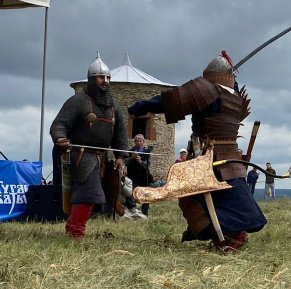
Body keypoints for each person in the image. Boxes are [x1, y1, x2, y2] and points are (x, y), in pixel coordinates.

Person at [128, 52, 267, 252]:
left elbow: (169, 101)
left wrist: (138, 107)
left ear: (209, 74)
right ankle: (228, 235)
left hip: (210, 158)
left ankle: (230, 236)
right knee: (228, 199)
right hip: (231, 158)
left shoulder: (207, 89)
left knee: (192, 196)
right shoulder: (234, 96)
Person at [50, 54, 129, 239]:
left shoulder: (113, 106)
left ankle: (72, 226)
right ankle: (76, 231)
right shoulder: (78, 101)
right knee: (89, 193)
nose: (105, 81)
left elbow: (120, 134)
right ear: (92, 79)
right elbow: (59, 124)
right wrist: (60, 137)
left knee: (99, 196)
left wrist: (120, 157)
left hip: (103, 158)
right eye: (101, 77)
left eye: (108, 77)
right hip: (81, 156)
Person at [126, 133, 152, 216]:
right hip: (132, 176)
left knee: (145, 194)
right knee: (130, 193)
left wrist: (140, 161)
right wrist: (132, 159)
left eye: (140, 141)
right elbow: (126, 162)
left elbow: (147, 165)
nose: (139, 142)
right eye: (137, 141)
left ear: (143, 141)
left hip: (144, 176)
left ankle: (144, 213)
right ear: (134, 142)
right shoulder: (130, 151)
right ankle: (132, 211)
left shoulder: (147, 152)